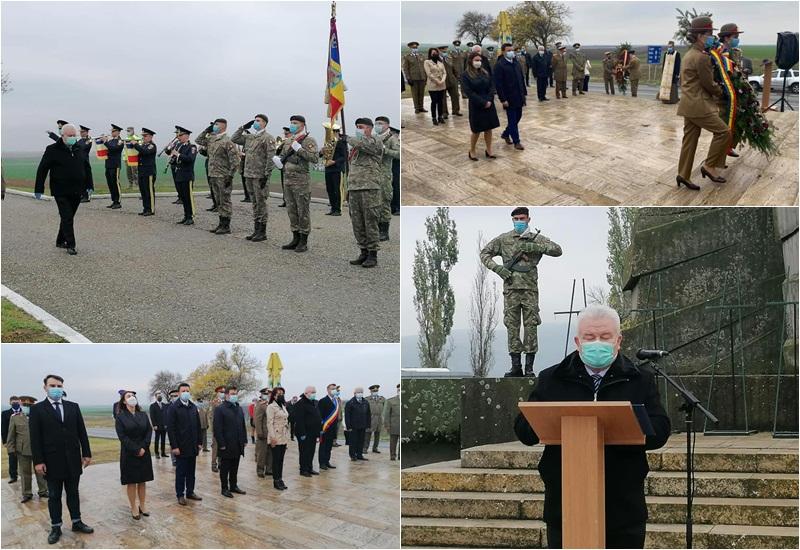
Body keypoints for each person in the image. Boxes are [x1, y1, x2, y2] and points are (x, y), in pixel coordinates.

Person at [513, 304, 671, 549]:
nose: (597, 342)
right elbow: (524, 431)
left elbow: (660, 430)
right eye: (590, 337)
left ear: (618, 340)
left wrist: (625, 422)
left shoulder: (640, 380)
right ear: (578, 341)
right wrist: (555, 416)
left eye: (605, 337)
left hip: (622, 504)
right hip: (566, 502)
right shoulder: (552, 379)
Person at [481, 207, 563, 377]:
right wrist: (498, 269)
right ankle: (516, 366)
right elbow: (485, 254)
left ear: (528, 219)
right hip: (510, 290)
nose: (519, 221)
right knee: (512, 326)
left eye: (522, 218)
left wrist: (534, 247)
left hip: (530, 290)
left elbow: (557, 250)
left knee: (531, 326)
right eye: (516, 219)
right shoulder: (504, 239)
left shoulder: (537, 238)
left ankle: (530, 368)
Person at [29, 374, 94, 545]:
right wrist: (38, 461)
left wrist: (86, 453)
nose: (56, 389)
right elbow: (35, 438)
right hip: (51, 461)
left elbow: (82, 432)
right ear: (45, 387)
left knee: (73, 493)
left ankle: (76, 521)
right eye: (53, 385)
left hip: (73, 459)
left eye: (59, 386)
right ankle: (56, 526)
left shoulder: (73, 407)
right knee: (55, 495)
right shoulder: (37, 409)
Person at [676, 16, 729, 190]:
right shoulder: (702, 57)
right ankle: (709, 166)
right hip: (699, 105)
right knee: (724, 132)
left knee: (689, 141)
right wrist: (723, 91)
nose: (712, 38)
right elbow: (709, 84)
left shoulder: (689, 55)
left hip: (687, 104)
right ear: (700, 36)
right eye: (709, 34)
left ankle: (683, 175)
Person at [34, 123, 87, 256]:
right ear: (62, 136)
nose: (73, 138)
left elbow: (86, 167)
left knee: (68, 216)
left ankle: (59, 240)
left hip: (77, 189)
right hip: (60, 189)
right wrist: (39, 188)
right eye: (70, 136)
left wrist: (89, 185)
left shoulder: (79, 148)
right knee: (67, 216)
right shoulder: (52, 149)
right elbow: (42, 169)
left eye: (74, 135)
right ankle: (71, 244)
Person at [272, 115, 318, 253]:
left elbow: (314, 158)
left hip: (301, 181)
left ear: (303, 125)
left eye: (295, 123)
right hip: (288, 180)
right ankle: (295, 237)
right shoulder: (289, 140)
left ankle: (303, 240)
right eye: (291, 122)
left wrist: (299, 149)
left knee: (302, 211)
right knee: (291, 210)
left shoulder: (308, 139)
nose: (292, 125)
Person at [232, 114, 277, 242]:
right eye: (255, 121)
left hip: (260, 176)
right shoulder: (250, 137)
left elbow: (271, 158)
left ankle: (262, 232)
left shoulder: (268, 138)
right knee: (255, 203)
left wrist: (266, 175)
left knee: (261, 203)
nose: (255, 123)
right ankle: (256, 230)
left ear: (264, 123)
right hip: (249, 175)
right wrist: (242, 127)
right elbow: (234, 138)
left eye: (258, 121)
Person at [346, 118, 384, 269]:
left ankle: (372, 254)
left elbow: (369, 147)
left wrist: (349, 139)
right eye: (356, 127)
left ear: (369, 128)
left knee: (370, 222)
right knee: (357, 222)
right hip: (354, 188)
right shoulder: (355, 147)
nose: (358, 129)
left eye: (360, 127)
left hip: (370, 188)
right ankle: (363, 251)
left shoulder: (375, 140)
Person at [114, 391, 154, 520]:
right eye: (128, 396)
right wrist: (136, 449)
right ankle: (133, 507)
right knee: (131, 482)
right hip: (129, 453)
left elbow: (149, 431)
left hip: (144, 451)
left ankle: (143, 505)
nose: (132, 398)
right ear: (124, 401)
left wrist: (144, 447)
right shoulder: (120, 417)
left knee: (142, 480)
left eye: (133, 395)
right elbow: (122, 437)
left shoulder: (143, 414)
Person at [196, 118, 239, 235]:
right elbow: (198, 140)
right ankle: (221, 223)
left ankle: (226, 225)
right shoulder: (212, 139)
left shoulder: (227, 141)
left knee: (225, 200)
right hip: (213, 174)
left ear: (223, 126)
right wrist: (207, 130)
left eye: (216, 124)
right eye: (214, 124)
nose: (214, 126)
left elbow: (235, 161)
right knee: (218, 200)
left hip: (223, 176)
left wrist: (230, 176)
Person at [166, 382, 203, 506]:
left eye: (187, 390)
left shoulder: (193, 407)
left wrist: (199, 442)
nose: (186, 392)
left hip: (192, 446)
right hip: (181, 447)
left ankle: (190, 492)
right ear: (179, 393)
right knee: (181, 472)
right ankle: (180, 494)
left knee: (191, 472)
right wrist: (174, 446)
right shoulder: (173, 408)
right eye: (183, 391)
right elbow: (171, 429)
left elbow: (198, 426)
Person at [6, 396, 48, 502]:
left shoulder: (39, 416)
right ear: (20, 405)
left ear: (33, 405)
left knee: (41, 471)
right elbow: (11, 435)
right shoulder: (15, 417)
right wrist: (11, 450)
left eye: (28, 405)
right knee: (25, 473)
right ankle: (27, 493)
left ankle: (43, 491)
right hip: (23, 450)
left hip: (38, 449)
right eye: (24, 405)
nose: (26, 407)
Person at [461, 51, 500, 162]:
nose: (478, 62)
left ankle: (489, 150)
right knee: (476, 130)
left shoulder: (485, 72)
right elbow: (469, 92)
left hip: (489, 103)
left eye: (480, 60)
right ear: (470, 61)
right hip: (476, 105)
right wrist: (483, 102)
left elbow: (491, 87)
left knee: (489, 128)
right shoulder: (465, 75)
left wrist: (489, 100)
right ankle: (472, 150)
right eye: (476, 60)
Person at [213, 386, 247, 498]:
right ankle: (224, 488)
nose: (235, 396)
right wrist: (221, 444)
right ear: (227, 395)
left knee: (235, 466)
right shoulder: (220, 409)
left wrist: (244, 439)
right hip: (226, 445)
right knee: (225, 468)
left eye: (236, 393)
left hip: (237, 443)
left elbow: (242, 425)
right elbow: (217, 429)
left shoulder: (238, 408)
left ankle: (233, 485)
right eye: (232, 393)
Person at [717, 23, 744, 157]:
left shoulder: (737, 52)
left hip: (737, 92)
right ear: (727, 38)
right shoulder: (720, 53)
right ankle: (717, 158)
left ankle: (729, 147)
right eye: (735, 36)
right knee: (723, 125)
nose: (737, 39)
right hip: (725, 95)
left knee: (739, 122)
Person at [494, 43, 527, 151]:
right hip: (509, 98)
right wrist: (503, 99)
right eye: (508, 50)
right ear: (503, 52)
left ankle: (505, 133)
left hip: (519, 96)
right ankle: (516, 141)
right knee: (512, 120)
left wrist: (524, 94)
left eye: (512, 50)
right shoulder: (500, 65)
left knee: (518, 117)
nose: (511, 52)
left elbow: (521, 79)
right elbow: (498, 84)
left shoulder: (516, 63)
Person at [373, 116, 399, 242]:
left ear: (387, 125)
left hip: (384, 175)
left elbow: (399, 154)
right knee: (375, 203)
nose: (378, 125)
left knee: (384, 203)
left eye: (381, 123)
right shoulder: (374, 138)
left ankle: (384, 231)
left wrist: (385, 150)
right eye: (376, 123)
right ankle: (376, 229)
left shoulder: (392, 138)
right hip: (373, 175)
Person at [170, 126, 198, 225]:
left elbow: (190, 159)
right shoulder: (180, 146)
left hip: (187, 175)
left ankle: (190, 217)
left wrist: (178, 155)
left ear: (186, 135)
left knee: (188, 197)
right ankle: (186, 216)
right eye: (178, 135)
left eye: (180, 135)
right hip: (179, 175)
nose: (178, 137)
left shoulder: (192, 147)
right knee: (183, 197)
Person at [292, 386, 322, 477]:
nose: (314, 394)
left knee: (311, 451)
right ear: (306, 393)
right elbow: (299, 420)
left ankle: (309, 468)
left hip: (313, 432)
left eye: (315, 392)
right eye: (312, 392)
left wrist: (318, 431)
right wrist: (302, 433)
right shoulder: (300, 403)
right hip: (304, 433)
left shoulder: (314, 402)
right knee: (304, 451)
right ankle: (303, 469)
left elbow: (317, 417)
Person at [267, 387, 290, 490]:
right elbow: (269, 423)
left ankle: (280, 479)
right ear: (274, 395)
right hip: (275, 436)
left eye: (282, 393)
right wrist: (272, 437)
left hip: (283, 436)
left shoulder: (283, 406)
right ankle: (276, 481)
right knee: (276, 460)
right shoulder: (271, 407)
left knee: (281, 460)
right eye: (279, 393)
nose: (281, 395)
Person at [321, 125, 348, 216]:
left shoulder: (341, 142)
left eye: (331, 132)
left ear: (336, 132)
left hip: (337, 168)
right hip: (328, 168)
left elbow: (344, 156)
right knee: (330, 189)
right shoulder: (328, 142)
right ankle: (333, 208)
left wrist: (334, 162)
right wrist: (321, 152)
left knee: (337, 189)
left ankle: (338, 209)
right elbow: (323, 155)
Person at [132, 128, 157, 216]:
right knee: (143, 191)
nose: (144, 137)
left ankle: (151, 209)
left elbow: (145, 152)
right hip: (142, 171)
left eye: (145, 136)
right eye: (143, 136)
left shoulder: (152, 145)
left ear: (150, 136)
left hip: (149, 172)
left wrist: (136, 145)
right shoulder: (143, 145)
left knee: (149, 191)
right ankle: (145, 208)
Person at [100, 124, 124, 209]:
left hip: (115, 165)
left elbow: (114, 149)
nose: (112, 132)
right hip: (108, 164)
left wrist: (105, 142)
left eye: (113, 131)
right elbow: (106, 148)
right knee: (110, 184)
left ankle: (118, 201)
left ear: (118, 132)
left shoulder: (120, 141)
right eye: (111, 131)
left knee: (116, 183)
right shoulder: (110, 141)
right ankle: (114, 200)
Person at [317, 383, 340, 470]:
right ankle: (322, 463)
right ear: (327, 390)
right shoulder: (323, 401)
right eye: (332, 388)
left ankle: (327, 461)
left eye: (335, 389)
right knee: (323, 446)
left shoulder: (336, 401)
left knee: (329, 446)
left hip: (333, 428)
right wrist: (321, 428)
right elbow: (320, 416)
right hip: (325, 428)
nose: (334, 390)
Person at [344, 387, 370, 461]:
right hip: (353, 426)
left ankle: (359, 454)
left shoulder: (365, 402)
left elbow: (368, 414)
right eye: (358, 392)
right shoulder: (350, 403)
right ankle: (352, 455)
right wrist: (348, 426)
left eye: (361, 392)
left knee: (361, 441)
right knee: (353, 441)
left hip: (363, 425)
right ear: (354, 393)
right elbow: (347, 416)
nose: (360, 393)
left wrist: (368, 424)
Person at [424, 48, 447, 125]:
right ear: (430, 54)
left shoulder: (440, 62)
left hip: (442, 84)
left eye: (436, 53)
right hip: (432, 84)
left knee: (440, 101)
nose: (435, 54)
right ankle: (434, 118)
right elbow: (429, 74)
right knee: (434, 101)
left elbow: (444, 73)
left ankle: (440, 116)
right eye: (433, 53)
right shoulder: (427, 62)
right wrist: (437, 81)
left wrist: (442, 81)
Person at [402, 41, 428, 113]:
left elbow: (425, 67)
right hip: (413, 78)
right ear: (410, 48)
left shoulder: (421, 56)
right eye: (413, 47)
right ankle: (417, 108)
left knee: (421, 93)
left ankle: (421, 107)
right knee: (415, 94)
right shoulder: (407, 57)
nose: (415, 48)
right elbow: (405, 68)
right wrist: (408, 78)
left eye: (416, 47)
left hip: (422, 77)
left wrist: (426, 77)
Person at [254, 387, 273, 478]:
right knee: (262, 453)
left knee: (270, 452)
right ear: (262, 395)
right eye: (266, 394)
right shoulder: (260, 404)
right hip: (263, 432)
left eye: (269, 393)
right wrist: (259, 432)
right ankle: (260, 470)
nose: (268, 395)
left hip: (271, 433)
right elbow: (257, 420)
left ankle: (269, 469)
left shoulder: (271, 404)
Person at [2, 396, 21, 484]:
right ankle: (13, 476)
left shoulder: (24, 412)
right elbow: (3, 428)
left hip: (22, 440)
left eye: (17, 402)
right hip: (11, 441)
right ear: (10, 403)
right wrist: (5, 441)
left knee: (24, 459)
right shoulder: (5, 413)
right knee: (12, 459)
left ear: (20, 402)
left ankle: (24, 475)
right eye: (13, 403)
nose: (15, 404)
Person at [440, 45, 462, 119]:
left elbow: (454, 68)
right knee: (442, 98)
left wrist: (457, 76)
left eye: (445, 51)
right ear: (439, 51)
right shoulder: (437, 60)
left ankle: (456, 110)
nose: (444, 52)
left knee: (455, 96)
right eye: (443, 51)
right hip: (442, 80)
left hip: (452, 80)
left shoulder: (449, 58)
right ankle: (444, 112)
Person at [364, 385, 385, 454]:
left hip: (379, 418)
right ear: (370, 391)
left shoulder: (382, 399)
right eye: (374, 391)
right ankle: (365, 448)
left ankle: (375, 448)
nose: (375, 392)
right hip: (370, 418)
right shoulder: (367, 399)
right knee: (368, 434)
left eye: (376, 391)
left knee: (377, 434)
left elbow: (384, 408)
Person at [208, 386, 225, 473]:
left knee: (222, 447)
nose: (222, 393)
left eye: (223, 392)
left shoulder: (225, 402)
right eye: (221, 392)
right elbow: (211, 417)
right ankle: (213, 464)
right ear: (217, 393)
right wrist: (213, 430)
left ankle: (220, 463)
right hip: (217, 429)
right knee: (215, 447)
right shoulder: (214, 403)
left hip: (225, 430)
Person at [382, 385, 401, 461]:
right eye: (399, 390)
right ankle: (392, 455)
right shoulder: (391, 401)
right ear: (397, 391)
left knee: (402, 441)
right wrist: (387, 425)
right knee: (393, 441)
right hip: (394, 425)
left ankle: (400, 456)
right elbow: (386, 414)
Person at [76, 126, 94, 203]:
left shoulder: (89, 139)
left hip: (85, 163)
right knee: (81, 180)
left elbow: (83, 147)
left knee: (86, 180)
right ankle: (82, 195)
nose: (81, 133)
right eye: (80, 132)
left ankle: (86, 196)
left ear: (86, 132)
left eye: (83, 132)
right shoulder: (80, 140)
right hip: (79, 163)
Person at [148, 393, 167, 459]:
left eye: (160, 396)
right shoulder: (152, 406)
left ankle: (163, 453)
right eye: (158, 396)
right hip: (157, 426)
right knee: (157, 440)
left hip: (164, 426)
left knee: (163, 440)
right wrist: (154, 425)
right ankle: (156, 453)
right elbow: (152, 416)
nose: (160, 397)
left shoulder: (165, 405)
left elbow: (166, 415)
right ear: (156, 397)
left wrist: (166, 424)